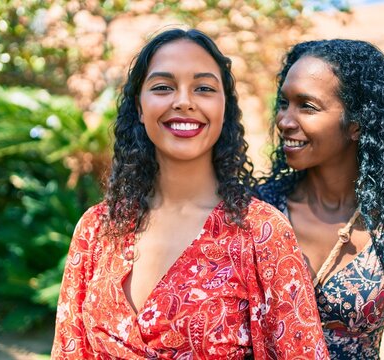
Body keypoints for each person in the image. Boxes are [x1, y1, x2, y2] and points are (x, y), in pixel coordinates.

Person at [51, 28, 328, 359]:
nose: (183, 101)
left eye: (204, 88)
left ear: (224, 107)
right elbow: (69, 350)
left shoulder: (261, 232)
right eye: (163, 87)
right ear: (139, 107)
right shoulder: (97, 229)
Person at [258, 39, 384, 359]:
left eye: (307, 106)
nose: (285, 121)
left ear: (356, 123)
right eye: (284, 103)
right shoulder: (256, 211)